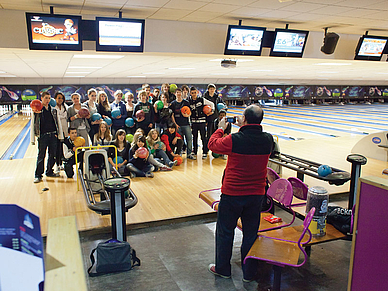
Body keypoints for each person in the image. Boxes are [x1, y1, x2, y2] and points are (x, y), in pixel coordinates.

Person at [207, 105, 274, 282]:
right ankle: (249, 274)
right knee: (251, 234)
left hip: (232, 195)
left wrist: (221, 128)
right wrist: (242, 127)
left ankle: (222, 269)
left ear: (244, 119)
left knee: (225, 232)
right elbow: (251, 139)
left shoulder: (234, 139)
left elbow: (212, 145)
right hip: (256, 196)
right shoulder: (268, 139)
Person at [31, 91, 63, 183]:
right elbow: (33, 124)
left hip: (53, 135)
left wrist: (59, 135)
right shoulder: (37, 110)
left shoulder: (53, 110)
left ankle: (49, 171)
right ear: (41, 98)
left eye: (49, 98)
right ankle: (38, 175)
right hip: (43, 136)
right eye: (46, 98)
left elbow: (58, 123)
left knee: (52, 155)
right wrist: (33, 138)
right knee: (41, 156)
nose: (47, 100)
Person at [188, 86, 214, 159]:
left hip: (202, 121)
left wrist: (211, 111)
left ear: (197, 92)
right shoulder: (189, 101)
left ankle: (205, 152)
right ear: (190, 93)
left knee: (203, 137)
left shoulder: (202, 100)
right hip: (194, 122)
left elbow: (212, 104)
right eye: (192, 93)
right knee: (195, 137)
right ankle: (195, 151)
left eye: (195, 93)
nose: (194, 94)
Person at [169, 88, 194, 159]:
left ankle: (189, 154)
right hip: (178, 125)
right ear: (175, 94)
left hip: (186, 124)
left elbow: (190, 113)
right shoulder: (173, 104)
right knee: (180, 140)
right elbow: (172, 115)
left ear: (182, 94)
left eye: (180, 93)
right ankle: (179, 153)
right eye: (177, 93)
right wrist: (175, 124)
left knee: (189, 139)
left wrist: (187, 115)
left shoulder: (186, 102)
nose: (179, 94)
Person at [54, 91, 68, 172]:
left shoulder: (65, 107)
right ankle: (57, 165)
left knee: (64, 149)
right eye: (59, 98)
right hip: (58, 131)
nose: (60, 100)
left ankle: (62, 164)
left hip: (65, 131)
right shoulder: (53, 108)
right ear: (55, 98)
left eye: (62, 98)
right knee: (58, 149)